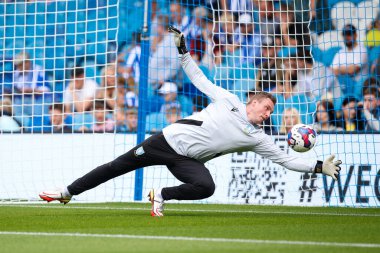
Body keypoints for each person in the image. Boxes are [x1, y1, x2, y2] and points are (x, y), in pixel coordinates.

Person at [39, 26, 342, 217]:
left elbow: (287, 161)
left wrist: (317, 166)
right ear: (252, 102)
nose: (267, 113)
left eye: (270, 112)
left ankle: (162, 195)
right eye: (265, 107)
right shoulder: (229, 100)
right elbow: (198, 78)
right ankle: (66, 193)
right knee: (116, 167)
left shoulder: (258, 138)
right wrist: (183, 52)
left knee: (206, 186)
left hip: (188, 159)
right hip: (166, 141)